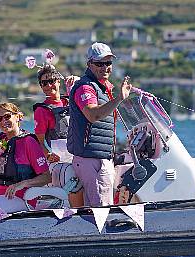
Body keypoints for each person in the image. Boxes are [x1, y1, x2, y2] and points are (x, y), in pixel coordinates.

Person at [67, 42, 132, 207]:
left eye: (108, 63)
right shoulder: (85, 88)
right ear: (89, 64)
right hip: (91, 160)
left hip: (100, 158)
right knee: (101, 208)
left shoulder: (102, 88)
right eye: (99, 63)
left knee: (98, 206)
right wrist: (119, 98)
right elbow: (93, 114)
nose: (105, 67)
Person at [32, 64, 84, 207]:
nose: (49, 85)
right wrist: (48, 155)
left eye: (52, 81)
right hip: (61, 159)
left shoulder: (71, 101)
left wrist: (77, 82)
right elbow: (39, 141)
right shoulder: (42, 111)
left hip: (80, 154)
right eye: (44, 83)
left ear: (59, 81)